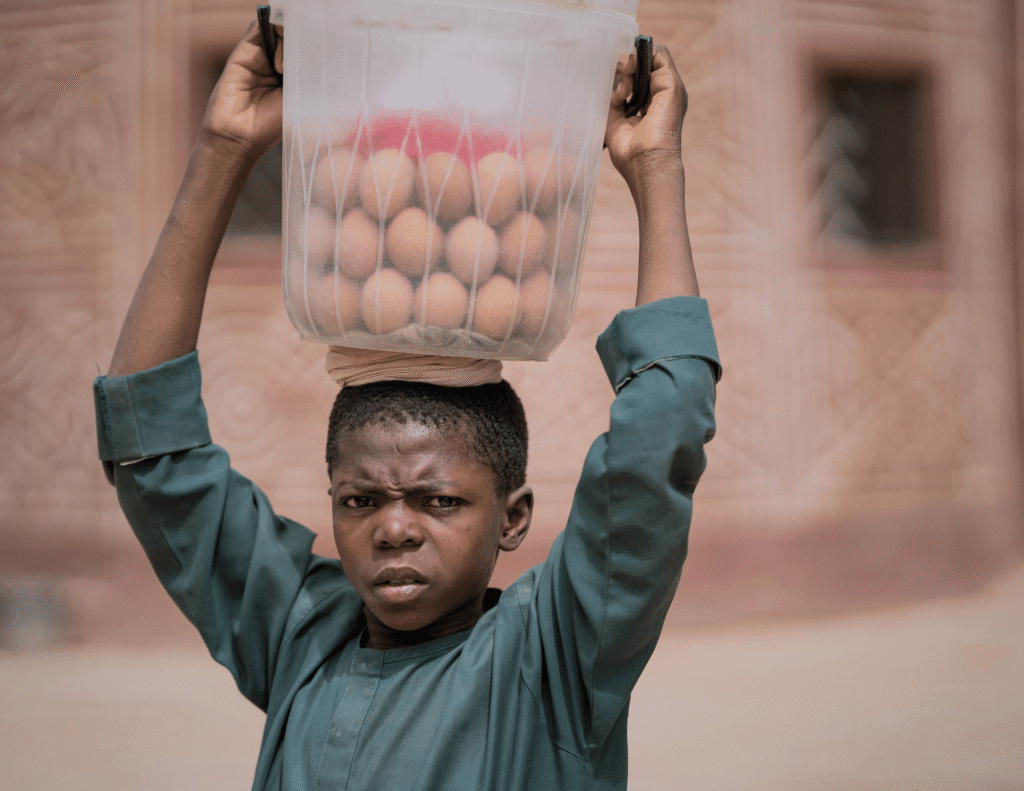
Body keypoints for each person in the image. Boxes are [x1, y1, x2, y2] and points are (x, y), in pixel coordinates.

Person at [94, 20, 720, 791]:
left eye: (439, 500)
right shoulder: (300, 637)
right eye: (359, 499)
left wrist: (655, 168)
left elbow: (661, 430)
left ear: (513, 516)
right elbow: (151, 450)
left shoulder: (553, 658)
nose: (393, 528)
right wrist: (224, 152)